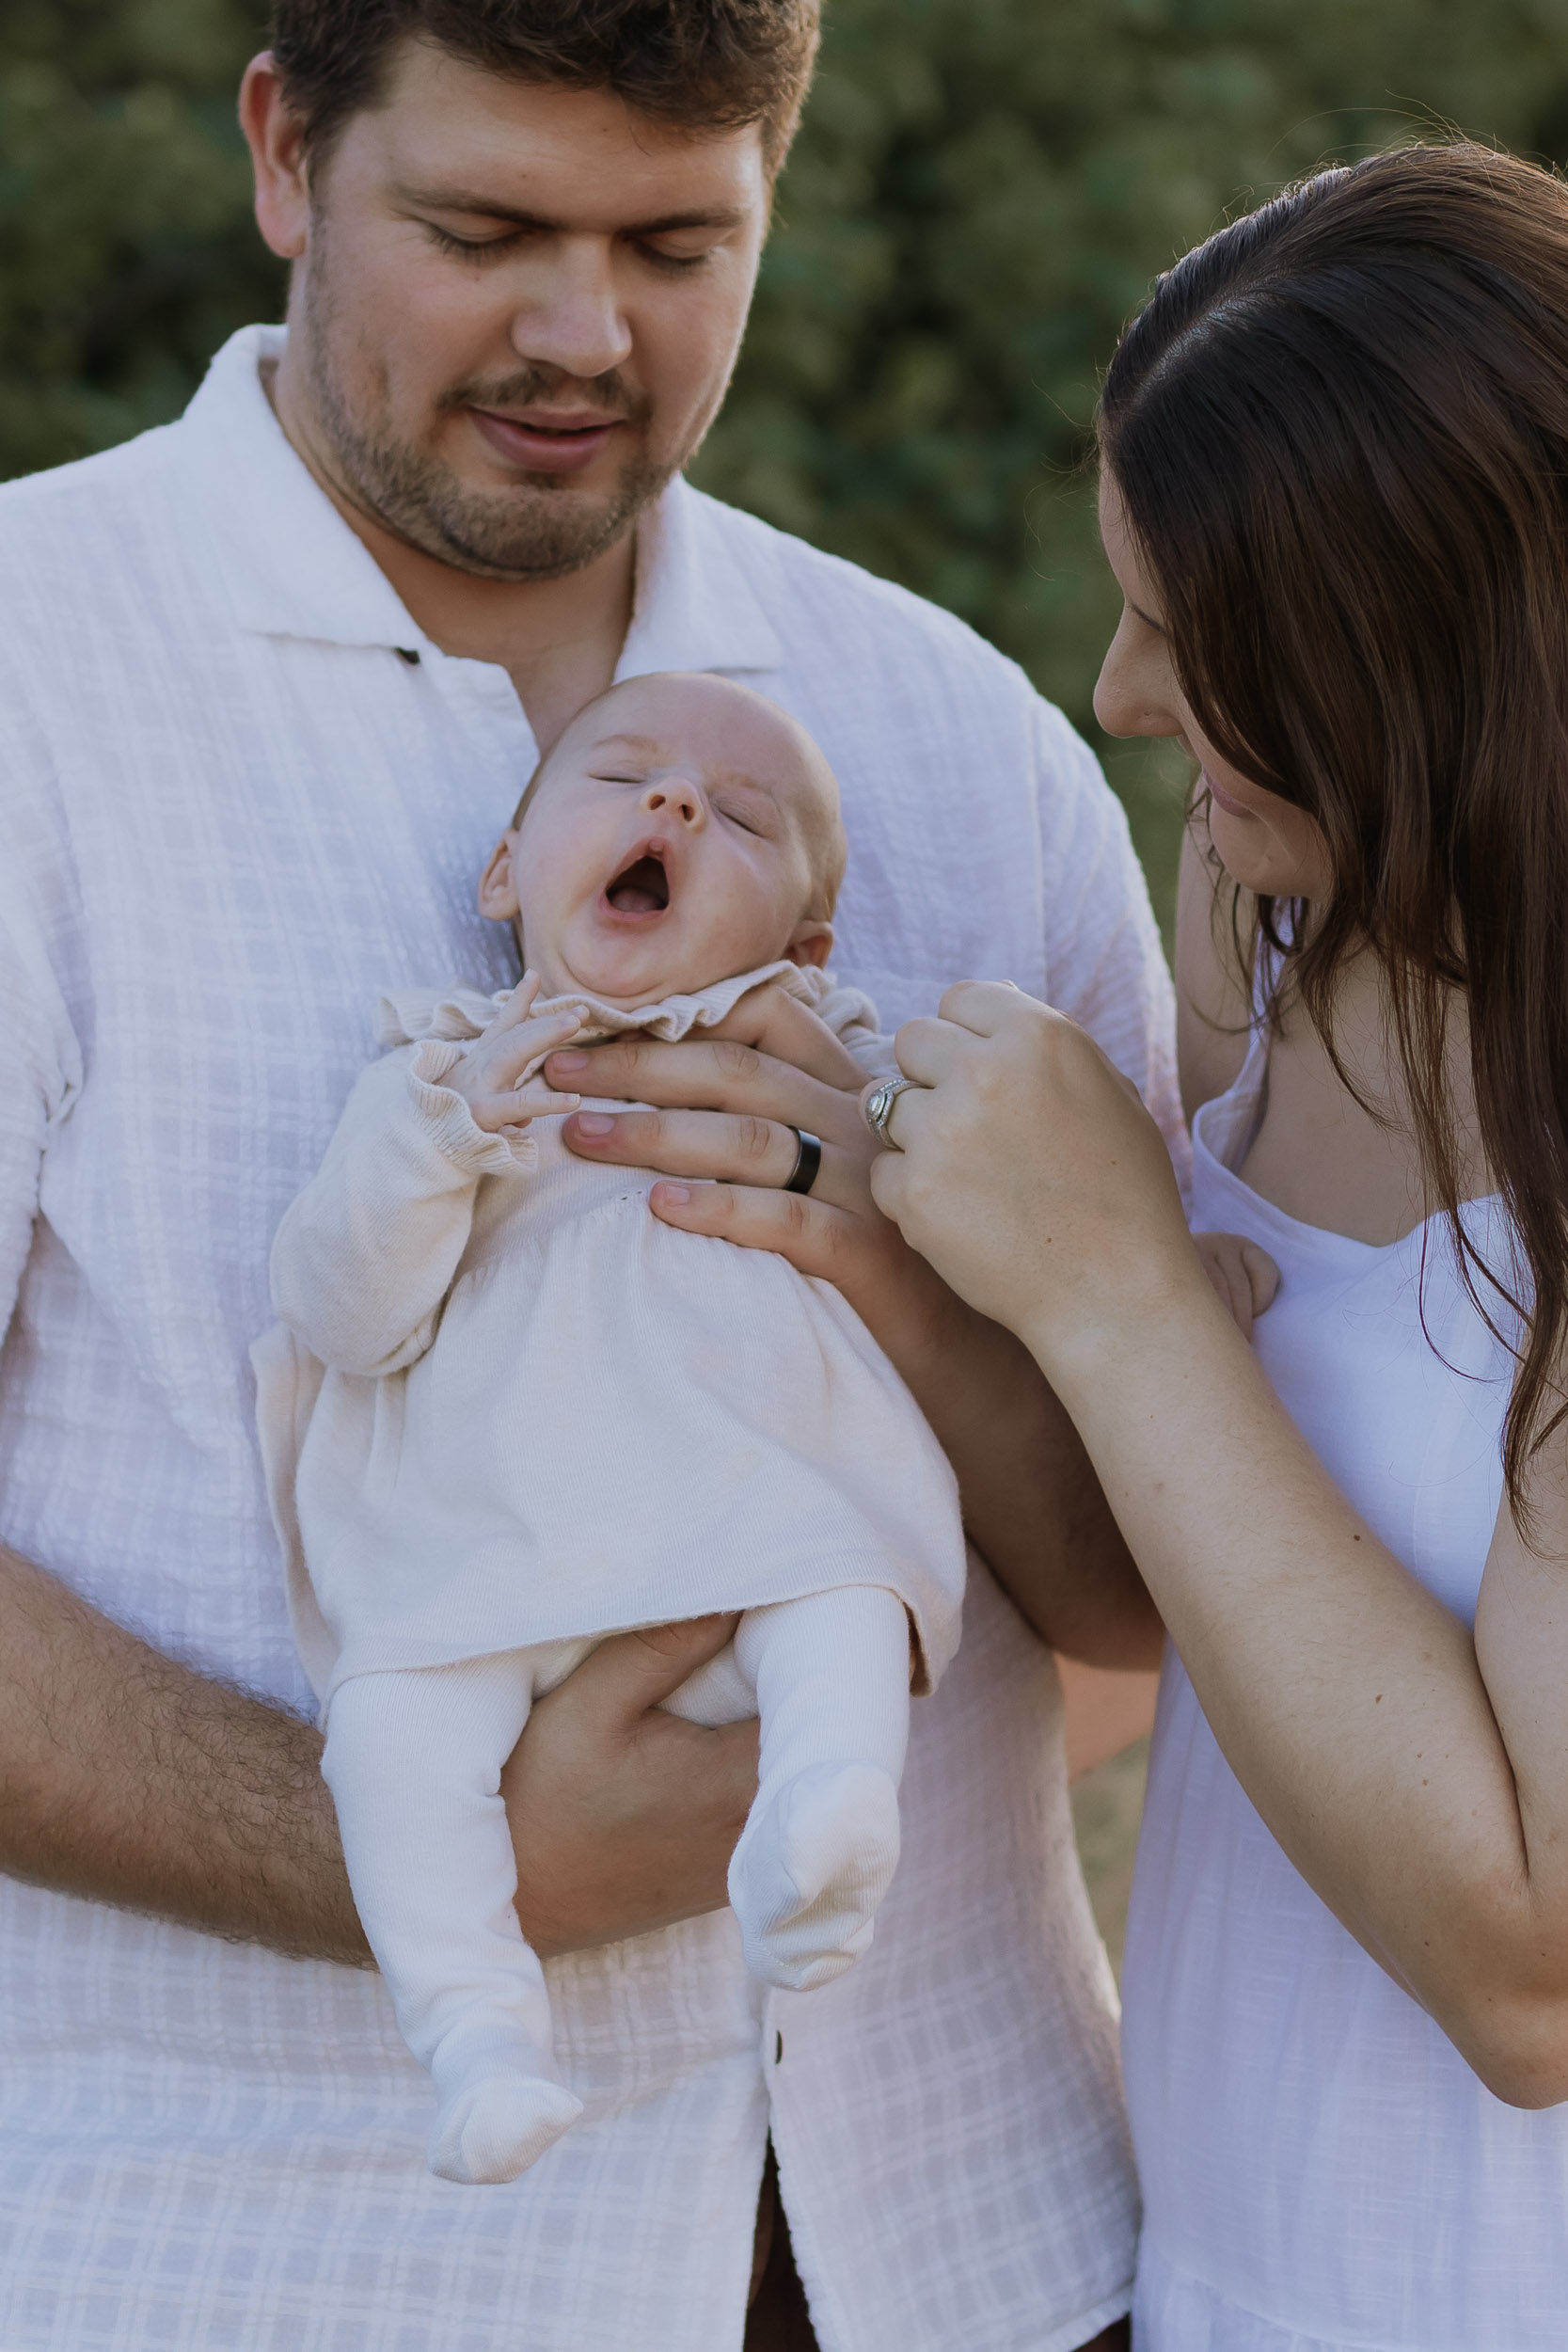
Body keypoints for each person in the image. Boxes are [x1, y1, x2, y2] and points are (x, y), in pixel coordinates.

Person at [0, 2, 1175, 2344]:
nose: (581, 333)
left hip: (984, 2248)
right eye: (483, 228)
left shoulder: (959, 743)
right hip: (266, 2261)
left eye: (675, 242)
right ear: (280, 150)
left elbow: (1159, 1596)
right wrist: (426, 1845)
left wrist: (915, 1296)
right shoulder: (29, 677)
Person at [868, 141, 1568, 2352]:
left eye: (1203, 639)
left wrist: (1112, 1285)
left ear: (1451, 654)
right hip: (1220, 2279)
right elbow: (1180, 1592)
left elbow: (1531, 1963)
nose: (1118, 690)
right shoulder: (1272, 919)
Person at [257, 671, 967, 2184]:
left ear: (807, 941)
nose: (674, 805)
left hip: (750, 1478)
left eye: (741, 816)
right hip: (489, 1533)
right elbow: (344, 1312)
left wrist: (891, 1115)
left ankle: (830, 1803)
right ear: (506, 871)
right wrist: (445, 1135)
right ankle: (475, 2039)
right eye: (624, 777)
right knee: (390, 1736)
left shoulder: (816, 1054)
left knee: (840, 1581)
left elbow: (968, 1175)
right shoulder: (439, 1073)